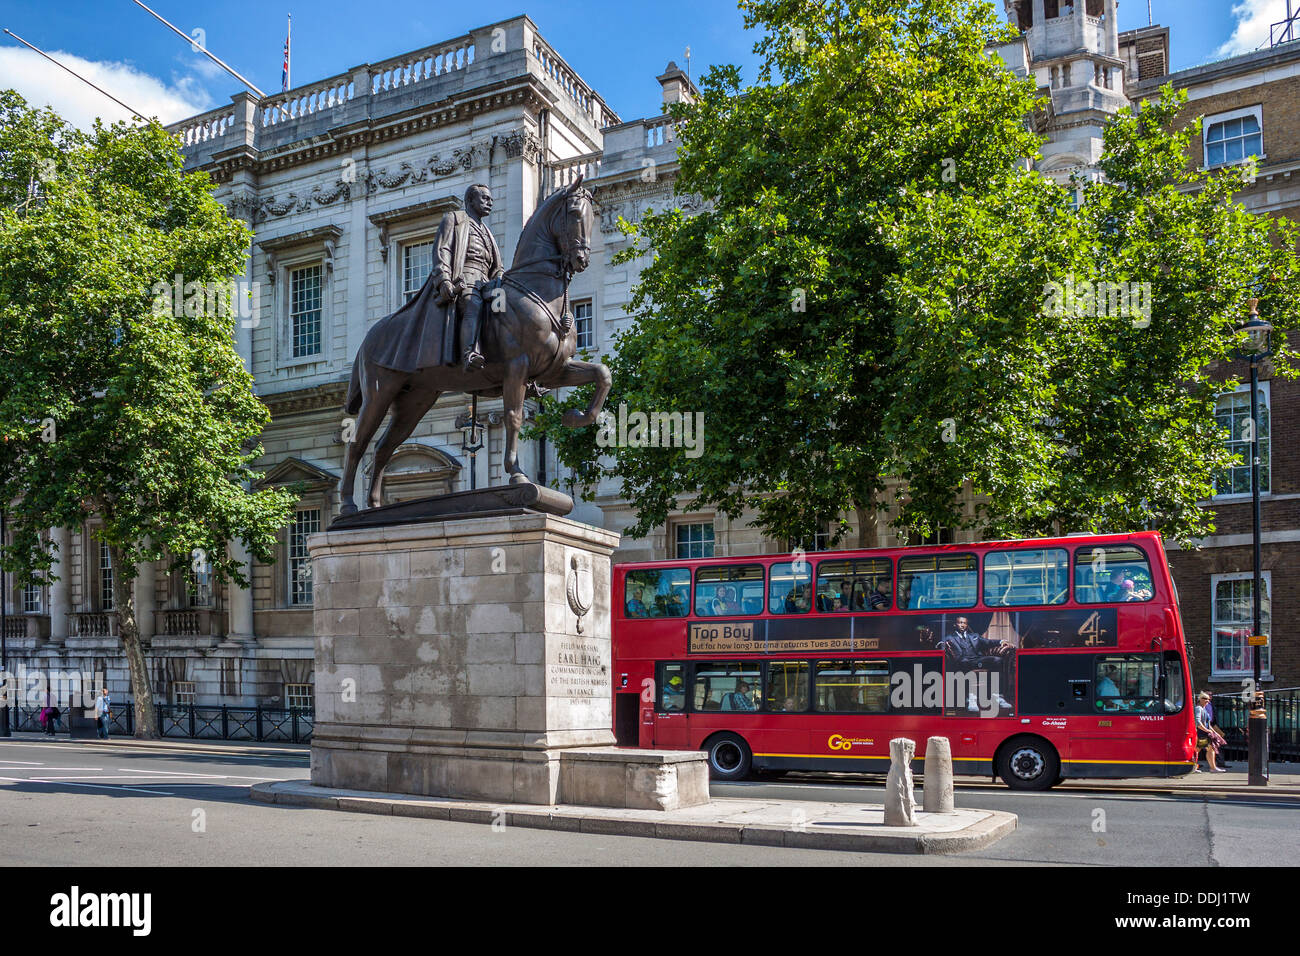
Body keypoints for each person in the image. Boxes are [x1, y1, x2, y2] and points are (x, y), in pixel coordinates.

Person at [432, 183, 505, 372]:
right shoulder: (454, 219)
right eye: (485, 198)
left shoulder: (488, 232)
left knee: (506, 307)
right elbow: (443, 249)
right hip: (465, 278)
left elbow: (496, 266)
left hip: (487, 283)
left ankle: (508, 358)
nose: (490, 202)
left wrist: (500, 276)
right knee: (473, 303)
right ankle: (469, 354)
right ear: (470, 200)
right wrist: (444, 279)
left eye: (491, 199)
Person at [1195, 691, 1227, 773]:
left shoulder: (1204, 709)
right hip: (1202, 734)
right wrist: (1207, 730)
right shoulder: (1198, 708)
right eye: (1205, 699)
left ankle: (1211, 768)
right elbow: (1198, 722)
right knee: (1201, 750)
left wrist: (1214, 732)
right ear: (1200, 699)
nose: (1207, 701)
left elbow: (1208, 724)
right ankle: (1212, 768)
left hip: (1204, 733)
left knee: (1201, 749)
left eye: (1208, 699)